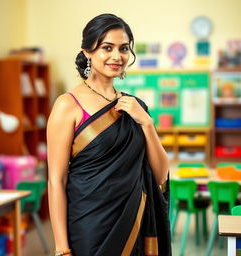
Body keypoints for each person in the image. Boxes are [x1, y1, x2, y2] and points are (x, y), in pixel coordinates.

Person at [47, 13, 171, 256]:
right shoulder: (67, 105)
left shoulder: (136, 107)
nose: (117, 56)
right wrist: (62, 250)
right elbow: (56, 181)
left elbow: (160, 174)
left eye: (124, 48)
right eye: (107, 47)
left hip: (134, 221)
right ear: (87, 52)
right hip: (89, 226)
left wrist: (146, 122)